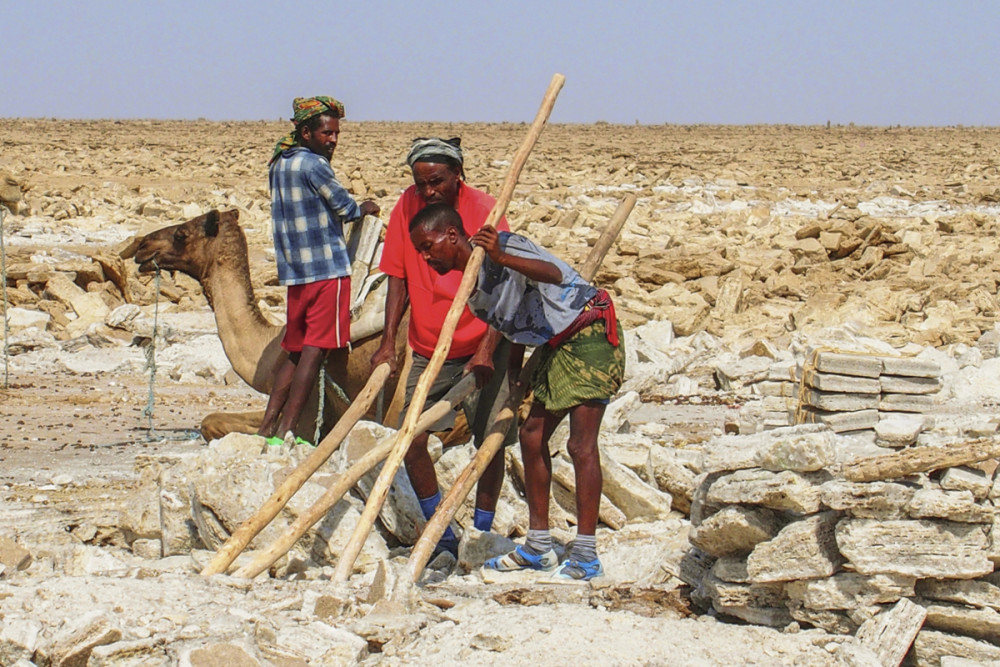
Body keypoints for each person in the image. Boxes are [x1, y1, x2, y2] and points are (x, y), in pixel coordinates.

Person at [407, 203, 625, 581]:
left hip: (589, 330)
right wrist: (515, 378)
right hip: (555, 345)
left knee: (580, 445)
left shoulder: (503, 244)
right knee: (531, 434)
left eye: (428, 246)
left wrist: (501, 256)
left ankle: (587, 555)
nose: (425, 257)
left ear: (453, 235)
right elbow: (517, 322)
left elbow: (554, 274)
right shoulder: (473, 292)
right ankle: (539, 547)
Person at [370, 137, 513, 557]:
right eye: (420, 183)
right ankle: (441, 529)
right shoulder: (406, 207)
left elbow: (503, 287)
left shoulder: (487, 210)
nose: (427, 191)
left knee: (491, 440)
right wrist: (387, 344)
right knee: (410, 437)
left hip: (482, 341)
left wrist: (487, 350)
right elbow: (397, 274)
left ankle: (481, 531)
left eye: (436, 182)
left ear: (458, 175)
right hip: (430, 345)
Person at [257, 96, 380, 446]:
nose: (333, 140)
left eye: (336, 133)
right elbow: (345, 208)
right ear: (306, 132)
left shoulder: (279, 162)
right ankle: (290, 429)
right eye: (327, 133)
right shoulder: (314, 165)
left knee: (294, 350)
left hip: (296, 274)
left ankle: (267, 428)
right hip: (327, 270)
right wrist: (364, 207)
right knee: (315, 350)